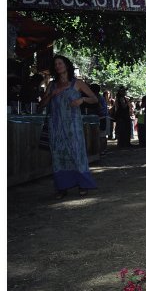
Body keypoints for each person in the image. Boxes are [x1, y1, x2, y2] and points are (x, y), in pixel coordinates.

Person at [38, 55, 98, 199]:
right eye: (56, 64)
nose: (58, 66)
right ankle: (62, 187)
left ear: (66, 65)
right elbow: (41, 105)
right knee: (58, 156)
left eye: (60, 63)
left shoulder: (77, 83)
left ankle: (83, 184)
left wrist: (82, 99)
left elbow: (94, 99)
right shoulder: (52, 85)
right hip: (56, 126)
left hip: (73, 126)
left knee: (77, 154)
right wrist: (51, 95)